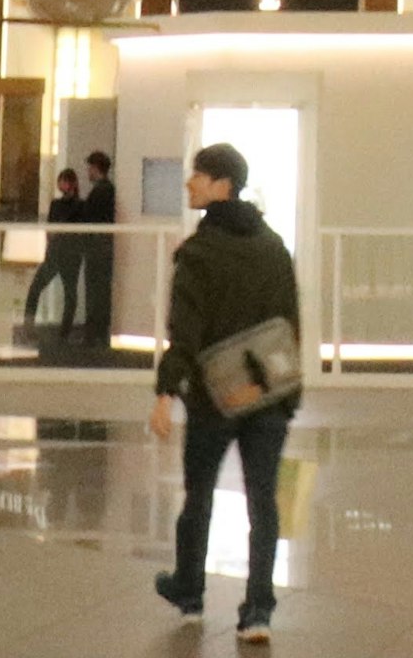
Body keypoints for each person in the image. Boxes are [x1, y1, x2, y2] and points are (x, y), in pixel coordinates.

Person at [154, 141, 300, 643]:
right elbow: (289, 324)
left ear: (222, 186)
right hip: (268, 397)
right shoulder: (275, 245)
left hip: (215, 399)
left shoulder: (199, 252)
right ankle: (257, 610)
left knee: (198, 496)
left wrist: (165, 393)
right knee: (264, 502)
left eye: (198, 175)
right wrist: (287, 396)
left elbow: (186, 331)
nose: (190, 182)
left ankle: (189, 594)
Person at [23, 166, 85, 330]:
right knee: (66, 292)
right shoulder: (64, 205)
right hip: (62, 253)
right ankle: (32, 325)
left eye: (64, 181)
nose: (62, 185)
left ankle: (61, 329)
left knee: (68, 292)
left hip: (65, 252)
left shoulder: (72, 205)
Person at [76, 148, 121, 350]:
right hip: (102, 247)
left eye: (90, 168)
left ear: (95, 168)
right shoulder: (107, 190)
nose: (88, 172)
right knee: (99, 290)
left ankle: (93, 334)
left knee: (95, 290)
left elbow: (89, 218)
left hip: (97, 248)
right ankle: (97, 333)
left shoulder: (101, 191)